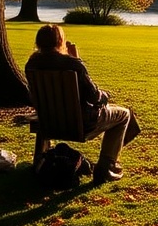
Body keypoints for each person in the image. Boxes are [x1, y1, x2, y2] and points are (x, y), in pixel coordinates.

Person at [25, 23, 135, 185]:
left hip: (47, 120)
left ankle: (41, 160)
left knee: (122, 115)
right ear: (60, 41)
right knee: (124, 114)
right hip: (82, 123)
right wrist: (106, 95)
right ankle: (105, 167)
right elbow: (93, 96)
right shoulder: (73, 64)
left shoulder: (31, 64)